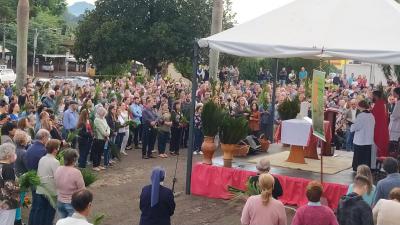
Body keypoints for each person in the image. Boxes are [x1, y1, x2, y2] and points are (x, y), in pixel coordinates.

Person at [30, 139, 61, 225]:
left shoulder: (42, 158)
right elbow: (57, 178)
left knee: (41, 212)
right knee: (49, 214)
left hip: (40, 189)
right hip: (50, 191)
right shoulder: (55, 162)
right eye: (58, 148)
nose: (58, 149)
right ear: (55, 149)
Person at [54, 148, 85, 218]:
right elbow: (82, 190)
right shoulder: (76, 172)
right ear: (74, 159)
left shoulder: (58, 169)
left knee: (63, 221)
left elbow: (55, 182)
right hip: (71, 203)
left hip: (60, 201)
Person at [351, 100, 375, 170]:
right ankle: (365, 169)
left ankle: (357, 168)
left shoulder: (361, 115)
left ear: (360, 106)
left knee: (359, 156)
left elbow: (357, 127)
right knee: (366, 157)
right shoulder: (371, 115)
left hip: (360, 140)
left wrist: (352, 126)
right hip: (368, 139)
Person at [0, 143, 19, 225]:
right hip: (8, 203)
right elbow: (10, 188)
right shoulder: (8, 168)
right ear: (8, 155)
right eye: (13, 153)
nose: (15, 155)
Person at [371, 91, 389, 158]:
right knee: (383, 142)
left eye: (373, 96)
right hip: (384, 126)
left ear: (375, 96)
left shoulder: (378, 103)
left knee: (378, 142)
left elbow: (373, 116)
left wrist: (369, 111)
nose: (372, 97)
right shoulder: (384, 103)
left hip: (378, 127)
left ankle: (379, 158)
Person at [92, 107, 110, 171]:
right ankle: (95, 166)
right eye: (102, 112)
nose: (104, 113)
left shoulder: (104, 119)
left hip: (104, 138)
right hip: (98, 138)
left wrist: (108, 133)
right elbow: (101, 129)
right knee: (96, 152)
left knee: (100, 152)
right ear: (99, 112)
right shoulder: (97, 120)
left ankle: (98, 164)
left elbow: (108, 127)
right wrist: (106, 134)